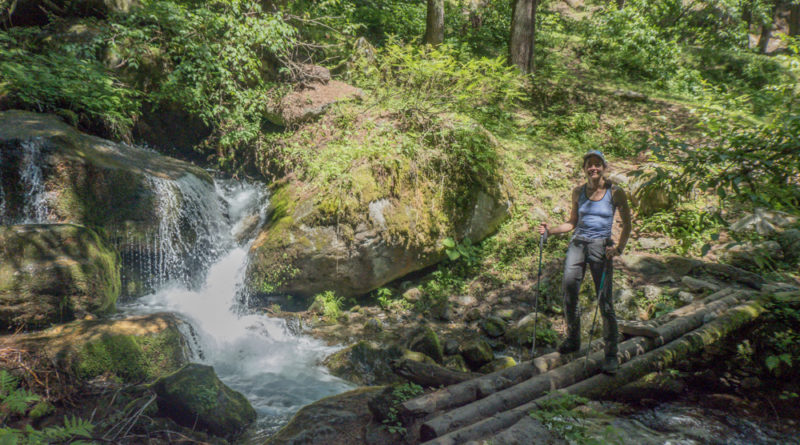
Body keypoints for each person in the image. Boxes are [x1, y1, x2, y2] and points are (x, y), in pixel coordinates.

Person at [538, 150, 631, 374]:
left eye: (597, 164)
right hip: (578, 244)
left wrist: (617, 248)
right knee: (569, 289)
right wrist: (549, 231)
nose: (593, 168)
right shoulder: (578, 192)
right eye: (589, 165)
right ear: (585, 169)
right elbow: (572, 222)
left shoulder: (615, 192)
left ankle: (611, 354)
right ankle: (573, 339)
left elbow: (627, 225)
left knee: (604, 301)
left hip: (601, 247)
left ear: (604, 167)